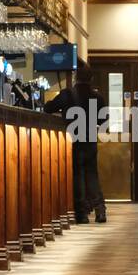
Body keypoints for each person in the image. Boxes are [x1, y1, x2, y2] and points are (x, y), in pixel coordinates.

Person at [45, 59, 107, 224]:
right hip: (90, 140)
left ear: (75, 77)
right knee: (92, 174)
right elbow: (104, 121)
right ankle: (100, 210)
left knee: (77, 175)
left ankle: (82, 214)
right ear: (91, 79)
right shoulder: (97, 97)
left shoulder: (68, 94)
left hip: (73, 140)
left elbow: (48, 108)